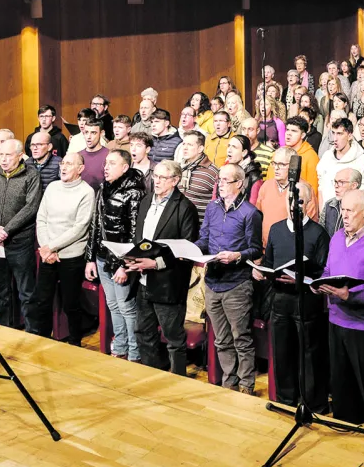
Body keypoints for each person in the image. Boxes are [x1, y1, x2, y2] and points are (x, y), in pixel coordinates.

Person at [316, 190, 364, 432]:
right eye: (342, 209)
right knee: (340, 384)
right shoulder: (336, 237)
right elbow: (329, 270)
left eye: (350, 210)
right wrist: (320, 284)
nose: (344, 215)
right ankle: (345, 428)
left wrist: (349, 295)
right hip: (337, 320)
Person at [254, 181, 330, 408]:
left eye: (297, 201)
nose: (292, 206)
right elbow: (269, 263)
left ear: (308, 204)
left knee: (309, 355)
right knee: (282, 353)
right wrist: (261, 272)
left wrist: (303, 279)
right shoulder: (276, 230)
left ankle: (313, 404)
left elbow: (324, 272)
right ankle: (286, 400)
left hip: (307, 301)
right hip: (280, 300)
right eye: (288, 201)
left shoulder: (318, 234)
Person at [125, 159, 200, 376]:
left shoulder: (185, 207)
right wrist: (134, 258)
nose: (156, 181)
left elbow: (187, 249)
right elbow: (140, 238)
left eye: (162, 177)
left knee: (173, 337)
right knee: (143, 331)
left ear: (175, 180)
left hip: (168, 281)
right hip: (142, 279)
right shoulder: (146, 201)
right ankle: (152, 375)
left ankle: (178, 380)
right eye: (155, 176)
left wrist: (155, 263)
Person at [197, 164, 263, 394]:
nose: (220, 184)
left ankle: (246, 384)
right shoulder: (212, 208)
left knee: (241, 338)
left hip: (236, 283)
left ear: (239, 184)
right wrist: (189, 251)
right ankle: (229, 382)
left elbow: (256, 249)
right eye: (219, 180)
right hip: (213, 281)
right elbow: (203, 239)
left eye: (226, 180)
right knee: (221, 339)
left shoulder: (250, 213)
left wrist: (238, 256)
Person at [84, 150, 147, 360]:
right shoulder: (104, 187)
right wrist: (90, 258)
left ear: (125, 167)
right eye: (106, 163)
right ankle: (120, 346)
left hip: (120, 261)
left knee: (126, 307)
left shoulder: (135, 193)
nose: (106, 167)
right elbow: (95, 225)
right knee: (112, 304)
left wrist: (125, 264)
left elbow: (134, 233)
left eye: (112, 163)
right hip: (102, 257)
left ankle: (134, 351)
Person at [0, 139, 43, 332]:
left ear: (20, 155)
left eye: (8, 155)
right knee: (0, 289)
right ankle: (5, 327)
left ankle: (32, 332)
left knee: (26, 291)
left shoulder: (31, 175)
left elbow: (30, 208)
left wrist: (6, 230)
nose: (3, 159)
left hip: (20, 242)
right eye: (1, 155)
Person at [31, 153, 94, 345]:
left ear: (80, 169)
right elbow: (41, 218)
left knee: (70, 303)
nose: (63, 167)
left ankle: (75, 342)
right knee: (42, 300)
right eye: (62, 163)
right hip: (47, 253)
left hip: (71, 255)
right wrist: (45, 248)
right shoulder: (52, 187)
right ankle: (42, 338)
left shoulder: (86, 192)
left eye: (69, 164)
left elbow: (79, 227)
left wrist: (52, 247)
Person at [316, 117, 364, 208]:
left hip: (350, 214)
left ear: (350, 135)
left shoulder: (361, 160)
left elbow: (363, 191)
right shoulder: (327, 157)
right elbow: (321, 187)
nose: (335, 138)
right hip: (327, 214)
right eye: (333, 133)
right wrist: (322, 213)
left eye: (340, 134)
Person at [178, 131, 219, 225]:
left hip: (200, 227)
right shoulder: (179, 168)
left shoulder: (212, 171)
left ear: (200, 148)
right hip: (179, 225)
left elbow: (218, 203)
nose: (185, 148)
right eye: (184, 144)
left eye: (190, 145)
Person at [78, 121, 109, 191]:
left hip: (100, 199)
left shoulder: (109, 156)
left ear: (102, 133)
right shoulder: (78, 156)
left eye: (93, 133)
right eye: (86, 132)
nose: (89, 137)